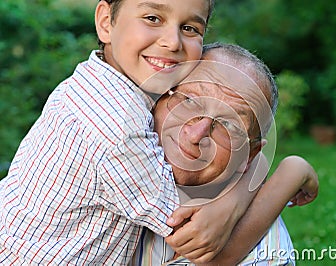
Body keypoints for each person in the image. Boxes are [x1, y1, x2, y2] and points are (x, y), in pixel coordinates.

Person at [0, 0, 216, 264]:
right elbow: (199, 239)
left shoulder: (93, 80)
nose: (173, 42)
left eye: (190, 28)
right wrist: (273, 178)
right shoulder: (118, 125)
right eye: (152, 18)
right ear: (105, 22)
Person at [131, 42, 318, 265]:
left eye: (229, 126)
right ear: (155, 100)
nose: (196, 135)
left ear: (249, 155)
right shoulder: (102, 154)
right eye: (189, 101)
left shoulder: (264, 256)